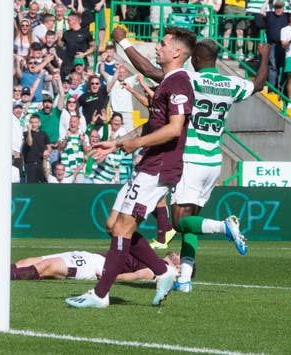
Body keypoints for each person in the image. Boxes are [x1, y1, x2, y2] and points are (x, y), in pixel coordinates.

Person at [111, 27, 269, 293]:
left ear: (193, 59)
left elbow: (151, 71)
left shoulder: (188, 81)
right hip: (213, 161)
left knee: (178, 222)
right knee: (191, 222)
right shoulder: (231, 84)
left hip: (191, 159)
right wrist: (264, 56)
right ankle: (184, 279)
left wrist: (122, 42)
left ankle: (224, 226)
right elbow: (260, 83)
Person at [66, 26, 197, 309]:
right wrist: (117, 142)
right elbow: (152, 125)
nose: (157, 48)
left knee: (124, 227)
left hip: (161, 167)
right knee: (113, 225)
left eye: (162, 44)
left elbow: (174, 130)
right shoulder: (167, 83)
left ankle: (100, 294)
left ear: (176, 52)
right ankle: (163, 272)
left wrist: (135, 145)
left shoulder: (180, 84)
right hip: (149, 163)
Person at [0, 251, 181, 281]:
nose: (177, 254)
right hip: (91, 256)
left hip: (96, 266)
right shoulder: (155, 256)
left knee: (46, 266)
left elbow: (140, 275)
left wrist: (110, 279)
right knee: (31, 260)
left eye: (179, 258)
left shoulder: (164, 269)